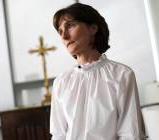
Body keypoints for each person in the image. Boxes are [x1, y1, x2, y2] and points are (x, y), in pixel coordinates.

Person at [50, 3, 145, 140]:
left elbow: (131, 134)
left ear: (93, 28)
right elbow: (59, 135)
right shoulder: (61, 82)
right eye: (60, 31)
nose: (64, 36)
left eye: (70, 26)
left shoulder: (122, 75)